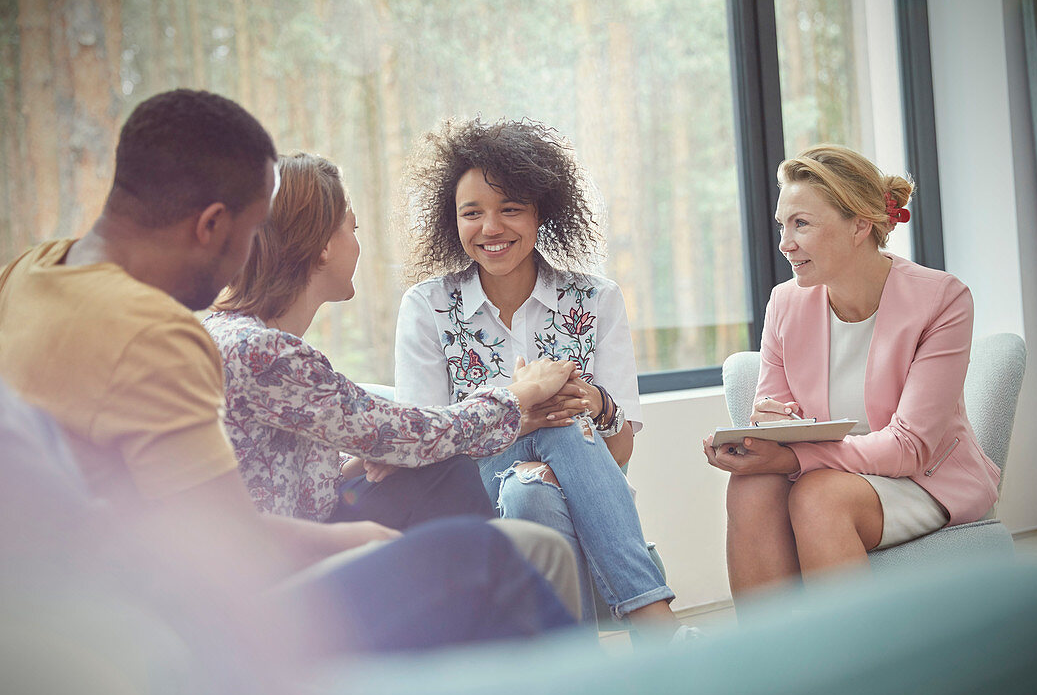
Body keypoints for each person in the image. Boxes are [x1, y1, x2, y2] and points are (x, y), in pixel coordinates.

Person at [0, 89, 580, 648]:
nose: (256, 249)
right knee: (491, 554)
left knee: (440, 485)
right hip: (200, 620)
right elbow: (223, 542)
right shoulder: (165, 339)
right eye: (254, 229)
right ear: (211, 225)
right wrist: (361, 539)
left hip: (88, 592)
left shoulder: (28, 272)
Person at [394, 117, 690, 639]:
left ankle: (577, 674)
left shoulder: (596, 300)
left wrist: (598, 404)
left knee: (532, 492)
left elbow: (617, 455)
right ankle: (655, 623)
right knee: (556, 418)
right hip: (465, 500)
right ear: (453, 221)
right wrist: (525, 418)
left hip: (571, 493)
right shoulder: (428, 307)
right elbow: (427, 454)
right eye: (472, 213)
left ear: (540, 214)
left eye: (511, 209)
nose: (491, 228)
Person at [204, 151, 581, 545]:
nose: (357, 244)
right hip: (272, 568)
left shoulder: (231, 337)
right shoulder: (266, 355)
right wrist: (522, 394)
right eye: (353, 228)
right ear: (322, 247)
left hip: (276, 544)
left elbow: (274, 473)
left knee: (433, 471)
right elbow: (419, 433)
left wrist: (364, 460)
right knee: (446, 471)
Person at [703, 144, 1001, 595]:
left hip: (920, 478)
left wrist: (794, 457)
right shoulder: (786, 302)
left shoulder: (942, 299)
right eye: (782, 224)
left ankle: (855, 660)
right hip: (829, 471)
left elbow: (910, 447)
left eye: (801, 223)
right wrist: (762, 435)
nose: (785, 243)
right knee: (751, 488)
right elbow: (774, 413)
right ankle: (771, 659)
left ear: (860, 225)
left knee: (819, 496)